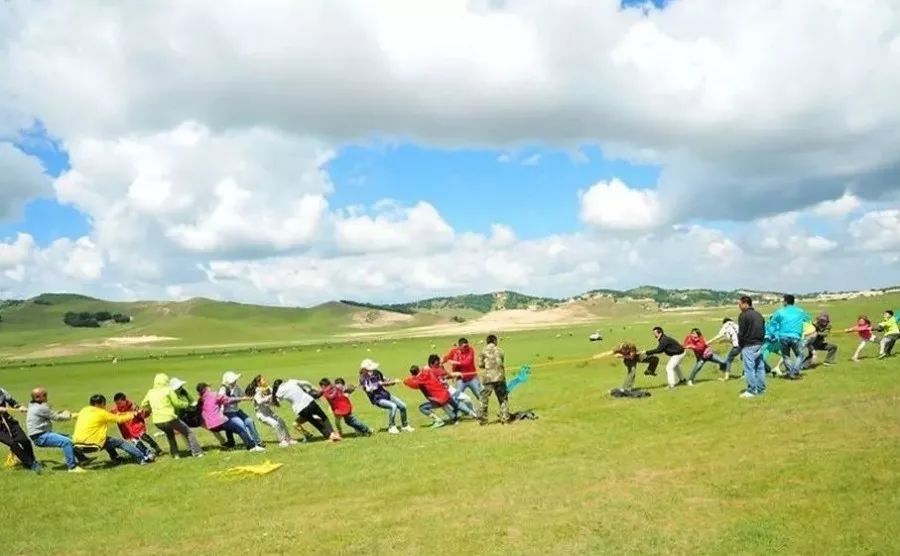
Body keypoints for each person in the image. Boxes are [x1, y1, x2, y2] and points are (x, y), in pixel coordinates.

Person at [73, 394, 151, 464]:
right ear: (98, 404)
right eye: (104, 404)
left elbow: (76, 415)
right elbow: (119, 419)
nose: (105, 406)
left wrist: (70, 415)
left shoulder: (84, 410)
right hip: (94, 445)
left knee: (108, 440)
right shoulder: (102, 413)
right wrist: (134, 414)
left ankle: (115, 458)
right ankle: (142, 458)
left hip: (78, 445)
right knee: (121, 443)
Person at [140, 373, 203, 458]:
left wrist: (152, 408)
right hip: (169, 418)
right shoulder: (168, 390)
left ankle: (175, 455)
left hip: (157, 421)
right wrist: (187, 404)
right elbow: (177, 403)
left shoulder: (150, 392)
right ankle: (197, 452)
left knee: (170, 435)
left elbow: (143, 404)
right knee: (188, 432)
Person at [26, 387, 88, 473]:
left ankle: (83, 459)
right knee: (66, 442)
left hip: (42, 434)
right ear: (37, 398)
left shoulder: (33, 405)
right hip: (40, 436)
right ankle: (72, 467)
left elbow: (50, 414)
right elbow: (57, 418)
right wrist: (70, 415)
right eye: (44, 395)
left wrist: (60, 412)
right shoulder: (40, 408)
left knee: (70, 438)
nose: (46, 396)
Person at [196, 383, 265, 452]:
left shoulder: (201, 399)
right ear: (206, 389)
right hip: (218, 422)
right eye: (209, 387)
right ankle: (252, 447)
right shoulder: (214, 395)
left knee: (229, 425)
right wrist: (243, 398)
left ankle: (231, 443)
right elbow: (228, 400)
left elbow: (199, 410)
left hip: (211, 426)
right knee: (240, 427)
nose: (210, 388)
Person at [271, 378, 341, 442]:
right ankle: (332, 433)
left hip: (300, 409)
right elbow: (306, 382)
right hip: (309, 401)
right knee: (323, 417)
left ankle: (329, 436)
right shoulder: (291, 382)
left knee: (315, 423)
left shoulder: (278, 392)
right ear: (283, 382)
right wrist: (312, 388)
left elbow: (274, 400)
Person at [359, 359, 413, 434]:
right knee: (393, 406)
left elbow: (384, 379)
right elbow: (380, 384)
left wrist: (392, 381)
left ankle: (405, 425)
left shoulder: (376, 372)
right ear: (364, 369)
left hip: (385, 394)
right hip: (377, 398)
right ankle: (391, 427)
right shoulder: (363, 379)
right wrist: (393, 382)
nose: (371, 370)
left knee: (403, 406)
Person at [768, 294, 811, 380]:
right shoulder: (800, 311)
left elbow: (771, 324)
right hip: (796, 336)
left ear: (785, 302)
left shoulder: (780, 312)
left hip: (783, 336)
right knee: (800, 355)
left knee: (786, 355)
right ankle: (794, 371)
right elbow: (808, 319)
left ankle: (791, 371)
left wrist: (774, 334)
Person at [246, 375, 296, 448]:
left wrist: (276, 400)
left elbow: (275, 396)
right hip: (261, 415)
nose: (265, 380)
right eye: (263, 380)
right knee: (275, 424)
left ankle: (288, 439)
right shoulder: (258, 391)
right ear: (258, 383)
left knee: (281, 422)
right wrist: (269, 397)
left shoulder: (268, 388)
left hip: (269, 412)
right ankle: (282, 441)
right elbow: (259, 401)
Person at [425, 354, 477, 419]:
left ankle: (474, 412)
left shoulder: (439, 368)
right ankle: (472, 414)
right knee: (455, 405)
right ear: (431, 364)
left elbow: (447, 375)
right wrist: (456, 374)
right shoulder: (429, 371)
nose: (438, 365)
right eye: (436, 364)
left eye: (438, 363)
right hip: (442, 392)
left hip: (449, 388)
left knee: (467, 399)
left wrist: (455, 374)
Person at [113, 392, 163, 459]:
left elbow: (140, 413)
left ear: (124, 401)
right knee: (136, 442)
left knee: (143, 436)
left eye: (119, 403)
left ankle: (157, 448)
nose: (118, 405)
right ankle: (147, 453)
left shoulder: (132, 406)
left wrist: (146, 412)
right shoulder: (115, 410)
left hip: (136, 425)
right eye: (116, 403)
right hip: (127, 429)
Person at [0, 386, 39, 472]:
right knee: (13, 443)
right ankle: (31, 464)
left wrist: (19, 407)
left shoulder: (1, 391)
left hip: (8, 421)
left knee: (25, 440)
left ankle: (32, 460)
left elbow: (12, 402)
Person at [219, 371, 262, 449]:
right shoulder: (223, 389)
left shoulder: (237, 387)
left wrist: (254, 392)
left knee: (249, 421)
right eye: (233, 380)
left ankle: (258, 442)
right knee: (241, 425)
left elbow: (244, 395)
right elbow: (224, 400)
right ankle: (250, 445)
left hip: (236, 411)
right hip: (227, 413)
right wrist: (241, 398)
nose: (235, 381)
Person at [737, 295, 767, 398]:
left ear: (745, 304)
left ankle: (751, 390)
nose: (739, 306)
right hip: (759, 343)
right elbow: (763, 329)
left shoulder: (743, 315)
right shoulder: (759, 314)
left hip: (748, 345)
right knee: (760, 368)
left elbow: (741, 333)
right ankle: (761, 389)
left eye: (740, 304)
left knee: (749, 369)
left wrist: (740, 346)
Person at [477, 334, 510, 425]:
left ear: (487, 341)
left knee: (484, 398)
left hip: (488, 377)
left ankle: (483, 420)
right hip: (500, 377)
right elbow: (501, 361)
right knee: (503, 398)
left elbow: (480, 365)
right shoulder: (500, 350)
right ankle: (505, 418)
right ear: (495, 341)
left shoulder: (483, 351)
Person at [442, 338, 482, 405]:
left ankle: (483, 410)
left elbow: (467, 363)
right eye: (464, 346)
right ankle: (458, 412)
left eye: (467, 346)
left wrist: (455, 362)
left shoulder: (470, 350)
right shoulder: (454, 351)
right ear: (459, 346)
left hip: (472, 378)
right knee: (457, 396)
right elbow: (446, 358)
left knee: (479, 395)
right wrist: (439, 362)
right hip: (460, 379)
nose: (466, 348)